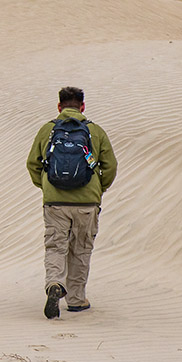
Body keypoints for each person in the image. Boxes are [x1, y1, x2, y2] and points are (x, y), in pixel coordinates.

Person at [26, 86, 117, 319]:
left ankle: (55, 283)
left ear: (59, 107)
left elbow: (33, 164)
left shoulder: (48, 130)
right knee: (81, 249)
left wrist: (46, 186)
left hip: (55, 202)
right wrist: (97, 189)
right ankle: (76, 300)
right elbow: (110, 166)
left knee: (56, 246)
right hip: (87, 203)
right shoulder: (95, 131)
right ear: (82, 107)